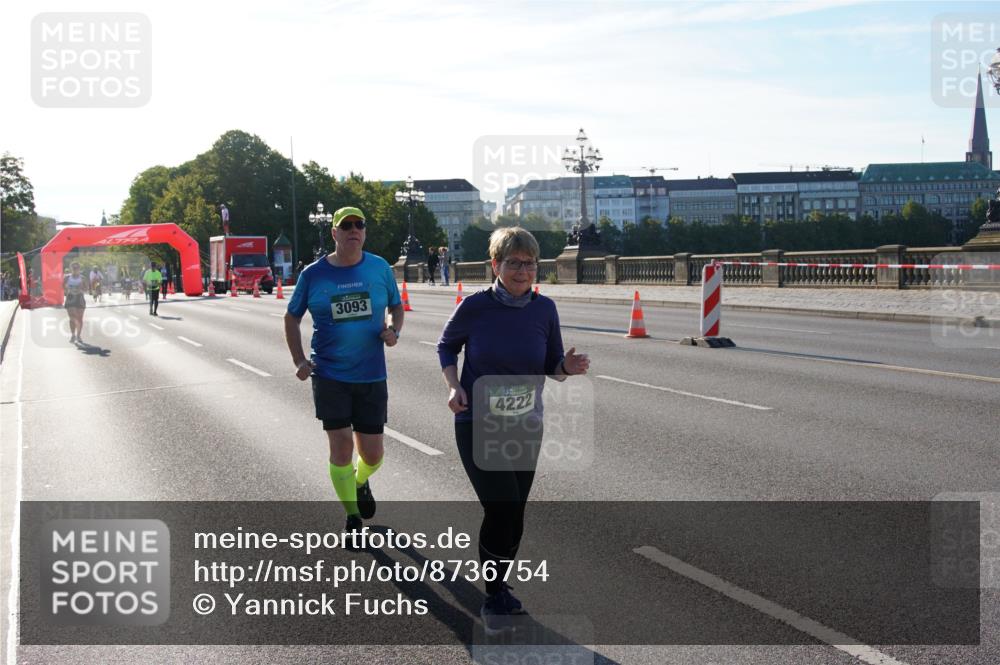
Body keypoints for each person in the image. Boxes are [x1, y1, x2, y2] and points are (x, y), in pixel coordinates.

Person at [437, 227, 590, 634]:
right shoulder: (476, 307)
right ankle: (493, 595)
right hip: (477, 423)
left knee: (515, 512)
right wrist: (454, 385)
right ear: (495, 265)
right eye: (513, 263)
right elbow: (446, 345)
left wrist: (565, 369)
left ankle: (500, 587)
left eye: (529, 263)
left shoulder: (545, 310)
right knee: (501, 504)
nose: (522, 271)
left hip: (526, 424)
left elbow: (551, 364)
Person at [284, 206, 404, 540]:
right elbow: (290, 317)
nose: (353, 230)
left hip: (370, 375)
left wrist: (394, 330)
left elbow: (395, 306)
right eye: (346, 225)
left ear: (364, 232)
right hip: (330, 374)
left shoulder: (380, 268)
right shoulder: (313, 274)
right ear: (334, 233)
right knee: (340, 449)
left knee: (373, 455)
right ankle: (352, 518)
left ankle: (360, 480)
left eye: (359, 225)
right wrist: (298, 360)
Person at [63, 262, 89, 343]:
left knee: (79, 318)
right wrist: (67, 289)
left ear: (79, 269)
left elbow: (86, 289)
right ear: (71, 269)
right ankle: (73, 335)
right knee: (72, 318)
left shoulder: (83, 278)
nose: (75, 269)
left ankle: (78, 335)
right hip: (70, 298)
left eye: (77, 268)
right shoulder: (67, 278)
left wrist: (81, 288)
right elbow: (63, 287)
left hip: (80, 298)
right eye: (74, 268)